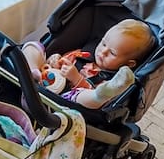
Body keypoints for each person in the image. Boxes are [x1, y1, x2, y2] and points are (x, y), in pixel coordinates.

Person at [21, 19, 156, 109]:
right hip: (42, 82)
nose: (102, 52)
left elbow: (87, 92)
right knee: (33, 47)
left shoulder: (111, 79)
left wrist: (76, 78)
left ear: (129, 64)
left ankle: (100, 95)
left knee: (90, 97)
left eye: (112, 53)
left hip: (65, 102)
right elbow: (60, 63)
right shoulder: (82, 55)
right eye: (103, 43)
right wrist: (55, 60)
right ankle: (33, 72)